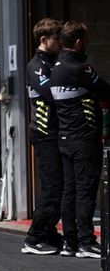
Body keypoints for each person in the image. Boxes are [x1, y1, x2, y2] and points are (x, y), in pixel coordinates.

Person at [50, 21, 110, 258]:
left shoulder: (56, 68)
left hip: (65, 137)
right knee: (85, 190)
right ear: (77, 42)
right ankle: (86, 242)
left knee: (70, 191)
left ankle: (70, 242)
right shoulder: (79, 68)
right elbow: (106, 91)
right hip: (84, 139)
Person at [22, 18, 65, 255]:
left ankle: (49, 232)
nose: (60, 42)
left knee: (57, 187)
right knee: (51, 187)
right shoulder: (36, 65)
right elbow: (53, 93)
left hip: (56, 132)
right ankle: (34, 237)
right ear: (43, 40)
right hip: (44, 132)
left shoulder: (53, 61)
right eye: (56, 38)